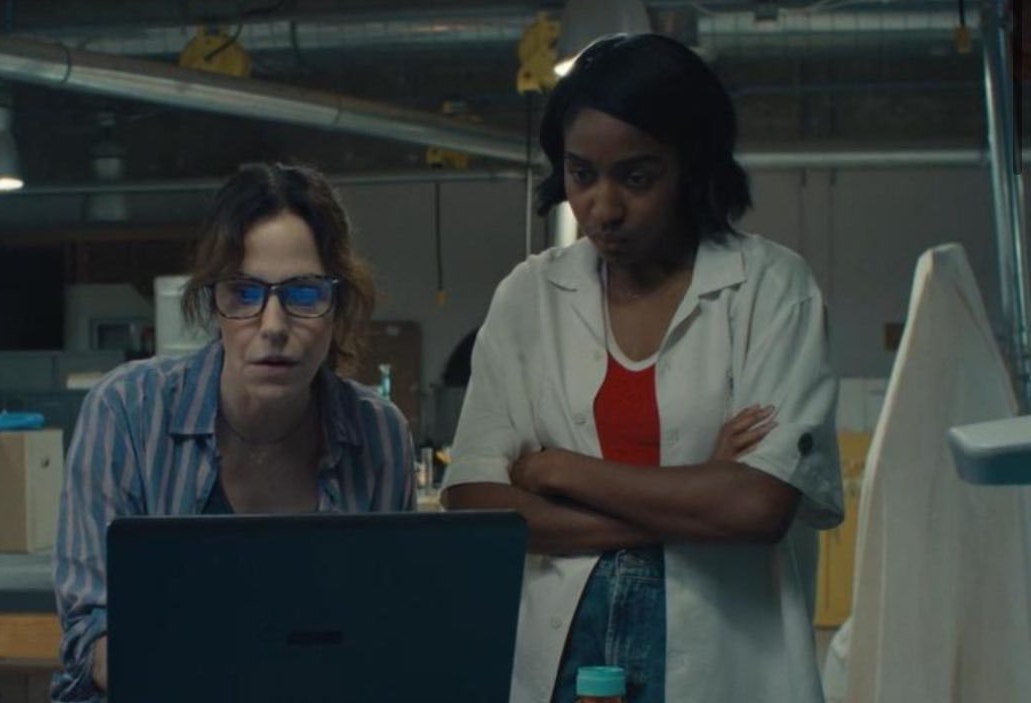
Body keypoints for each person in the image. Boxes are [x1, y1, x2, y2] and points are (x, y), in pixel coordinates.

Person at [442, 34, 843, 703]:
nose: (602, 209)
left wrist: (560, 471)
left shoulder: (770, 288)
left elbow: (758, 506)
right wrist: (697, 498)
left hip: (723, 664)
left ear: (692, 166)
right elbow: (476, 504)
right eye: (580, 174)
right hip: (562, 659)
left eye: (636, 177)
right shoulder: (529, 296)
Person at [51, 162, 417, 702]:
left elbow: (389, 631)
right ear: (213, 302)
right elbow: (91, 635)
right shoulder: (128, 411)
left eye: (304, 294)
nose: (273, 326)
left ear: (338, 304)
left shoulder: (379, 436)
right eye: (244, 293)